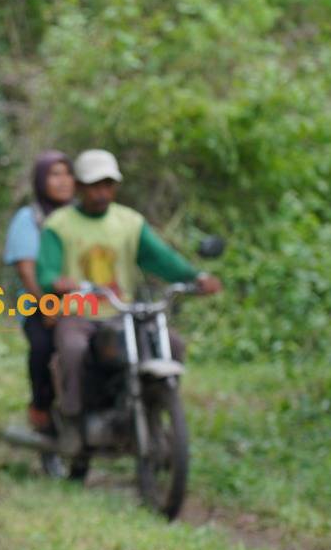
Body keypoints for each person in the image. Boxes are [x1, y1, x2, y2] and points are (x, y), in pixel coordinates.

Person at [36, 148, 221, 453]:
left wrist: (195, 277)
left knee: (172, 345)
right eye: (94, 186)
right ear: (80, 187)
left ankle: (156, 413)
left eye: (108, 185)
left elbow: (161, 260)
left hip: (121, 312)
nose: (102, 192)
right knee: (72, 349)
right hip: (79, 313)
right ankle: (71, 417)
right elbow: (47, 272)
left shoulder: (129, 222)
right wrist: (58, 283)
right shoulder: (60, 224)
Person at [2, 150, 76, 435]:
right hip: (38, 303)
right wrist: (47, 304)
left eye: (67, 173)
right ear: (41, 180)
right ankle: (41, 405)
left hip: (82, 302)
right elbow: (26, 268)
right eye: (54, 174)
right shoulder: (28, 218)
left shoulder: (81, 216)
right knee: (44, 346)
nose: (63, 181)